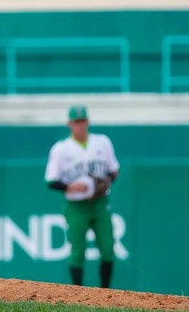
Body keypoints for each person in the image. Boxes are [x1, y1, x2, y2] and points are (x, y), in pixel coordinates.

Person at [44, 105, 119, 288]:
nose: (80, 125)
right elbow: (51, 181)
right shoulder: (61, 149)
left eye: (83, 121)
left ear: (88, 121)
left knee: (108, 248)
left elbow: (114, 170)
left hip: (100, 203)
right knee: (77, 251)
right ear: (69, 124)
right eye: (76, 121)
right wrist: (70, 186)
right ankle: (78, 294)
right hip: (76, 206)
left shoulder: (102, 142)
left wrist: (107, 181)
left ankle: (105, 293)